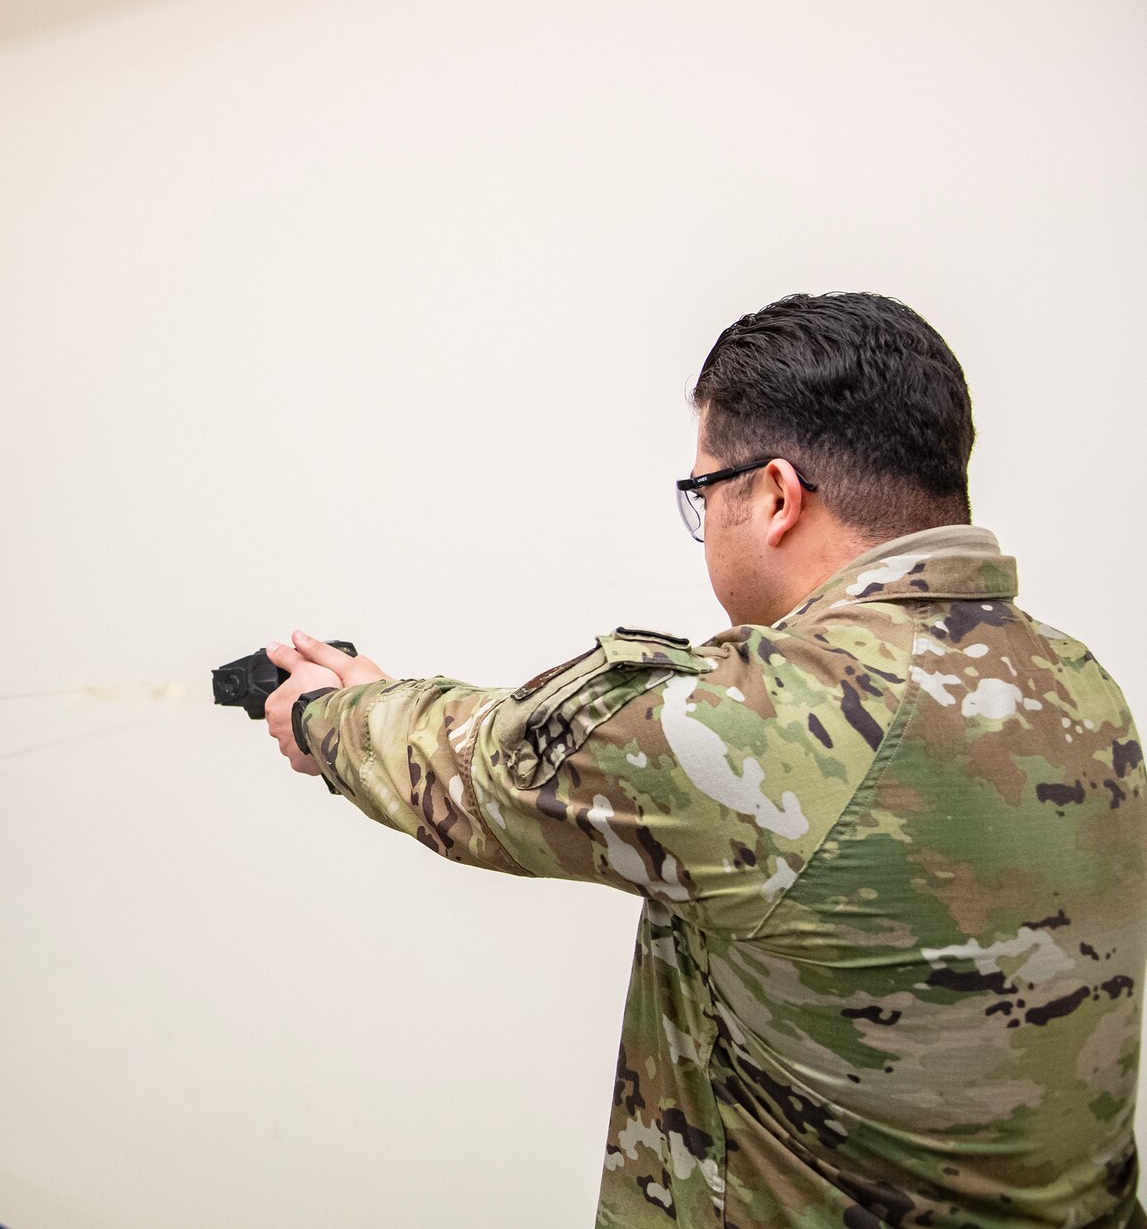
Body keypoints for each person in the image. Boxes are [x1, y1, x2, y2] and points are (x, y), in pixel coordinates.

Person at [262, 293, 1146, 1228]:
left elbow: (477, 772)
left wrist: (328, 711)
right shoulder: (1080, 683)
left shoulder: (786, 715)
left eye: (704, 492)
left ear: (773, 495)